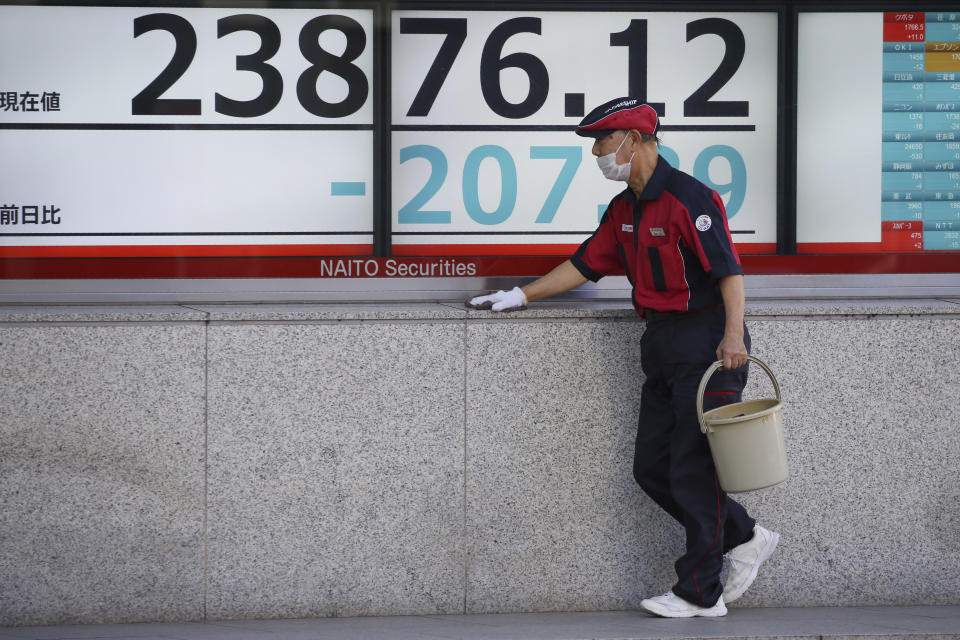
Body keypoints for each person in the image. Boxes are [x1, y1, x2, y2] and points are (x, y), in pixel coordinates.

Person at [467, 98, 779, 618]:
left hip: (706, 344)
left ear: (633, 141)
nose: (595, 153)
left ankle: (701, 593)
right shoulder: (623, 209)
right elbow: (585, 264)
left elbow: (729, 270)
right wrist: (521, 295)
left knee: (693, 470)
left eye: (602, 142)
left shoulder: (688, 198)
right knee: (652, 467)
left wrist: (732, 337)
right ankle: (745, 536)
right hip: (659, 344)